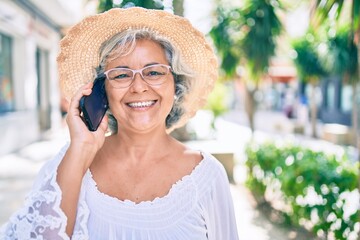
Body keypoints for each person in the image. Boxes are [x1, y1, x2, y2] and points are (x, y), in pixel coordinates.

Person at [0, 7, 239, 240]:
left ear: (175, 85)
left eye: (154, 72)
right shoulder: (72, 161)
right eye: (122, 75)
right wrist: (81, 149)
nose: (138, 86)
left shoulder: (206, 175)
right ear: (101, 92)